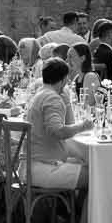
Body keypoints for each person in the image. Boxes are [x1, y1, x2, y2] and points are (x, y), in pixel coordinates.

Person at [19, 59, 90, 192]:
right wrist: (83, 126)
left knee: (83, 164)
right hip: (41, 168)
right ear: (63, 80)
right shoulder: (52, 98)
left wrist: (67, 101)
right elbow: (58, 132)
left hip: (32, 165)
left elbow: (68, 124)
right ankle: (82, 213)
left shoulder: (40, 94)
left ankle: (69, 211)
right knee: (94, 175)